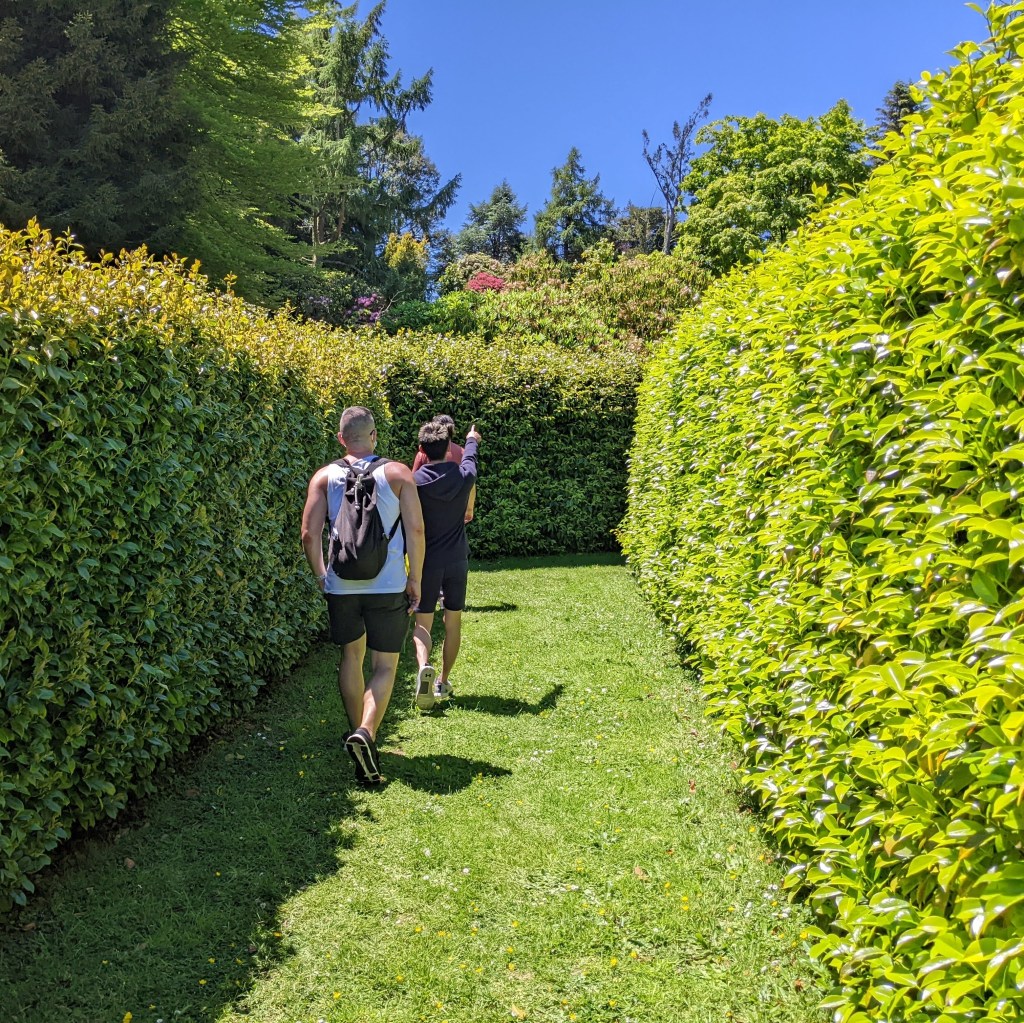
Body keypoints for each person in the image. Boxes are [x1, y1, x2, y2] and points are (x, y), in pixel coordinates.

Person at [301, 406, 425, 787]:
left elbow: (308, 534)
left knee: (350, 657)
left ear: (341, 438)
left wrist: (322, 576)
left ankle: (355, 729)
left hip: (343, 586)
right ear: (374, 436)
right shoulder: (398, 473)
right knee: (385, 666)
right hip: (388, 585)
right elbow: (417, 531)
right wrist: (414, 579)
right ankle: (367, 733)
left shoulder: (324, 476)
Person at [411, 419, 481, 711]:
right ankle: (442, 680)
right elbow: (470, 459)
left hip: (427, 561)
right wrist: (472, 438)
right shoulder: (462, 476)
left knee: (422, 623)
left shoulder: (412, 483)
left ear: (421, 450)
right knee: (452, 622)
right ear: (448, 447)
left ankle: (424, 667)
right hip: (456, 560)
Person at [412, 414, 475, 524]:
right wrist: (469, 509)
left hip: (428, 516)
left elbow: (411, 485)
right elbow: (470, 482)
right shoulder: (462, 453)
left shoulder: (423, 454)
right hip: (455, 514)